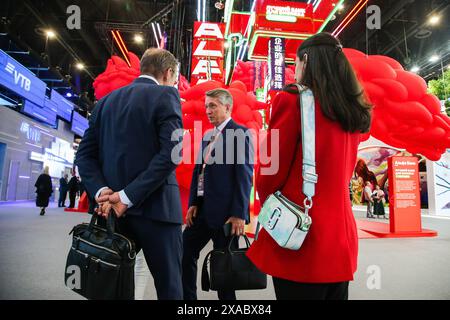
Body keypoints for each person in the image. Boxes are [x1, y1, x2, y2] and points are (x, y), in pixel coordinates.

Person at [246, 32, 372, 300]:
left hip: (301, 238)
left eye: (296, 63)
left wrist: (265, 203)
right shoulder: (353, 109)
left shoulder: (293, 100)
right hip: (341, 239)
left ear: (306, 60)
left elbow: (269, 172)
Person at [75, 48, 183, 300]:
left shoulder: (105, 103)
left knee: (112, 285)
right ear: (168, 73)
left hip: (111, 214)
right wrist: (126, 196)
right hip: (158, 213)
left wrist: (102, 192)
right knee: (170, 289)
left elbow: (84, 156)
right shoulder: (167, 95)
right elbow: (172, 153)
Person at [182, 88, 254, 300]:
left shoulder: (239, 133)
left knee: (224, 270)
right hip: (202, 211)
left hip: (227, 216)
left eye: (213, 106)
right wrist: (193, 202)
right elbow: (199, 171)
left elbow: (244, 175)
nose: (208, 110)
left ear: (227, 107)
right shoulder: (207, 135)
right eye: (206, 106)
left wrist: (240, 213)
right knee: (184, 253)